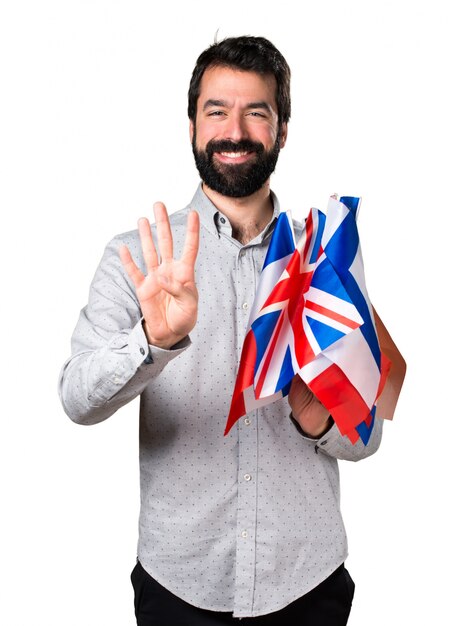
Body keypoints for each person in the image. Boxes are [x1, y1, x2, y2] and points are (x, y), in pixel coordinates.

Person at [59, 35, 404, 625]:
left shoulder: (326, 263)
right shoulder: (138, 257)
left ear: (282, 130)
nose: (234, 129)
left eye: (256, 112)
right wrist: (154, 339)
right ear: (192, 124)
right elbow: (76, 400)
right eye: (216, 110)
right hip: (179, 582)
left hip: (307, 581)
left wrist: (315, 418)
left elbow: (366, 438)